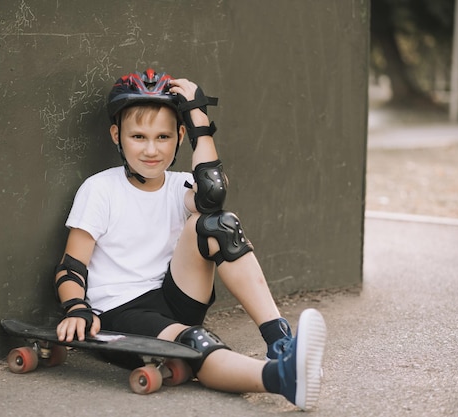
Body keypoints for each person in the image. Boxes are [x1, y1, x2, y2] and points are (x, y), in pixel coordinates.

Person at [54, 68, 327, 410]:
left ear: (180, 136)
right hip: (122, 313)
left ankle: (280, 342)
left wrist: (198, 117)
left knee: (219, 224)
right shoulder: (100, 189)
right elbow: (71, 267)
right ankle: (281, 378)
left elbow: (212, 193)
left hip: (174, 296)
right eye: (138, 137)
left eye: (163, 137)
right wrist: (77, 309)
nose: (151, 150)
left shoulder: (180, 184)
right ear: (116, 135)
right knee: (196, 342)